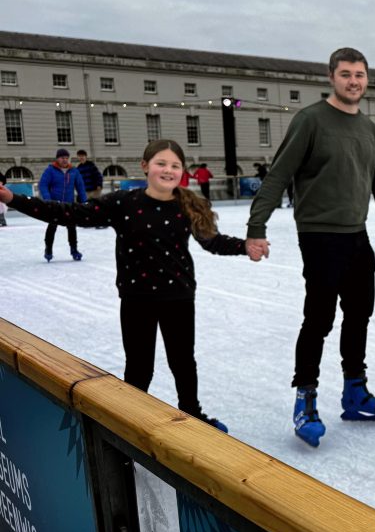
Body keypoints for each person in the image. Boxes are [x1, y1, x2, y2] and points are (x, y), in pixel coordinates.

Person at [0, 139, 247, 431]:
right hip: (137, 299)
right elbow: (69, 213)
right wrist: (12, 199)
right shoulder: (123, 203)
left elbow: (213, 241)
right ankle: (130, 423)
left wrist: (246, 247)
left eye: (175, 165)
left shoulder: (188, 205)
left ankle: (192, 414)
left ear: (182, 171)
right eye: (161, 163)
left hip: (178, 297)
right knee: (140, 366)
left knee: (183, 362)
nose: (168, 170)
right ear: (145, 166)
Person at [245, 46, 375, 446]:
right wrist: (256, 226)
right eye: (346, 74)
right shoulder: (311, 121)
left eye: (360, 74)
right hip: (319, 235)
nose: (354, 81)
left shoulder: (371, 130)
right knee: (318, 319)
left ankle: (355, 392)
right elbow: (278, 175)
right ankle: (306, 398)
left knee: (359, 315)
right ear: (331, 77)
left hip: (357, 235)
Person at [39, 148, 88, 262]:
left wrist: (85, 201)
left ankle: (74, 250)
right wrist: (48, 199)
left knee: (72, 227)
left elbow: (80, 187)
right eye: (62, 158)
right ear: (57, 159)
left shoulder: (74, 171)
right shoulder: (50, 170)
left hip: (69, 204)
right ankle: (48, 249)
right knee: (52, 227)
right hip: (55, 205)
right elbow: (43, 185)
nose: (65, 160)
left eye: (66, 158)